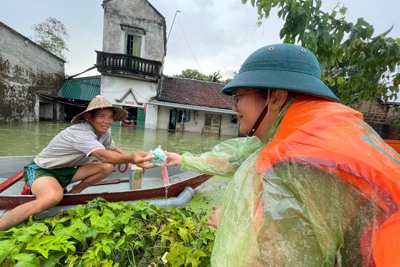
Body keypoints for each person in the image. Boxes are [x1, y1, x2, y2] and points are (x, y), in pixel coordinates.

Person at [165, 43, 400, 266]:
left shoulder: (295, 162)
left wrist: (230, 225)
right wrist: (183, 159)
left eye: (238, 97)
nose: (233, 107)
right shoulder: (326, 131)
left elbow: (275, 259)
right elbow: (237, 159)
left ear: (275, 98)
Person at [0, 95, 154, 231]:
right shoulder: (80, 132)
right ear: (89, 117)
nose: (107, 121)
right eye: (101, 116)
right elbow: (103, 155)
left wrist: (132, 161)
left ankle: (74, 193)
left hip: (68, 170)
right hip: (42, 170)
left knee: (107, 168)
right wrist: (132, 158)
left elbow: (112, 148)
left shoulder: (103, 133)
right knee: (52, 197)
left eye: (110, 117)